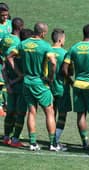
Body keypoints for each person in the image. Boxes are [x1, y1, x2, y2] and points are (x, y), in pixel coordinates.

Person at [7, 22, 58, 151]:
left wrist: (19, 73)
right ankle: (53, 143)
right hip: (40, 82)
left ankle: (33, 143)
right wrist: (51, 77)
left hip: (27, 82)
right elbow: (53, 62)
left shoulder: (22, 44)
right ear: (42, 33)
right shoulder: (45, 46)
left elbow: (9, 57)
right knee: (49, 111)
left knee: (32, 111)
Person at [1, 17, 25, 147]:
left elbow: (3, 58)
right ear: (21, 28)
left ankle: (6, 137)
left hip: (9, 79)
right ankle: (16, 138)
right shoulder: (18, 44)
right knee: (19, 111)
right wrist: (19, 75)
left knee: (10, 111)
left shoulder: (5, 38)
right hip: (18, 83)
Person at [50, 28, 72, 150]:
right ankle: (55, 141)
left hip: (49, 88)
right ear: (60, 39)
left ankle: (51, 140)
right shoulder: (65, 53)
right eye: (64, 38)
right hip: (62, 88)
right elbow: (69, 71)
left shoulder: (47, 51)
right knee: (62, 115)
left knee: (51, 114)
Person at [0, 3, 12, 116]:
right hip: (1, 59)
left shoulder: (10, 24)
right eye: (3, 15)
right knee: (1, 83)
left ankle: (7, 104)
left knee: (8, 81)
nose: (5, 17)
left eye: (6, 15)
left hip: (10, 59)